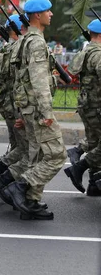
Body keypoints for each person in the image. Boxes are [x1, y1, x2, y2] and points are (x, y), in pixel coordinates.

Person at [0, 0, 66, 220]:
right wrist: (47, 112)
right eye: (48, 11)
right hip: (38, 110)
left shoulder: (24, 41)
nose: (51, 14)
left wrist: (20, 112)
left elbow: (19, 81)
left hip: (28, 108)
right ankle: (21, 186)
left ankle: (30, 201)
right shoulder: (35, 43)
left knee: (37, 155)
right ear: (37, 15)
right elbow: (37, 81)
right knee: (57, 155)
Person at [0, 15, 30, 204]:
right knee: (25, 149)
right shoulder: (18, 49)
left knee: (17, 145)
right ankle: (4, 178)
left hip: (7, 103)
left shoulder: (4, 49)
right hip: (17, 105)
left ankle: (0, 174)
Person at [63, 19, 101, 196]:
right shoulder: (98, 54)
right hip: (97, 105)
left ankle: (94, 184)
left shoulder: (86, 51)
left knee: (94, 142)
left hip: (87, 104)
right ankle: (79, 168)